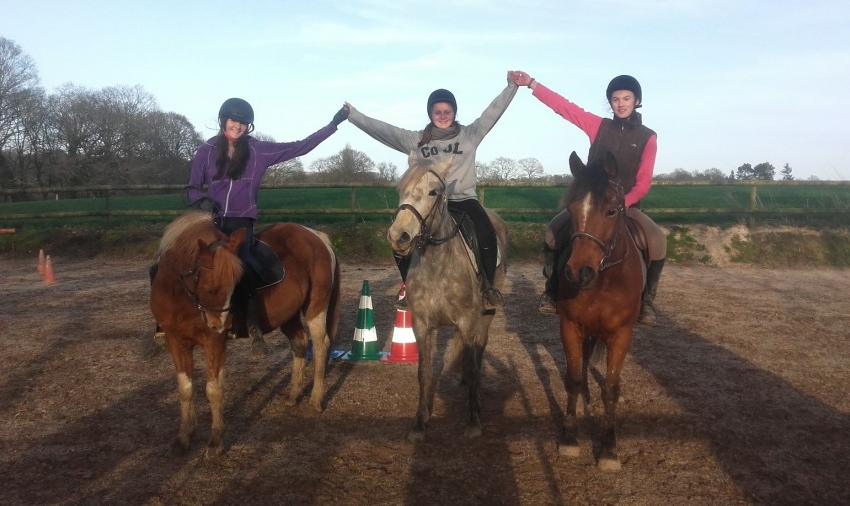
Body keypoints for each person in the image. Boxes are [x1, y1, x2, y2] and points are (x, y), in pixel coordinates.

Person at [152, 97, 349, 354]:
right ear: (223, 120)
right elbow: (191, 188)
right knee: (165, 261)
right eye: (233, 121)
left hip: (241, 222)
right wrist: (201, 202)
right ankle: (163, 322)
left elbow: (300, 147)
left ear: (249, 126)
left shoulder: (259, 151)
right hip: (210, 222)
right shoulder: (206, 150)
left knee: (242, 269)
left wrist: (333, 124)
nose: (238, 126)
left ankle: (251, 325)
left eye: (243, 123)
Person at [344, 73, 519, 310]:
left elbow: (493, 112)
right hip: (427, 203)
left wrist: (511, 87)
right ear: (430, 114)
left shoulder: (470, 134)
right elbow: (385, 131)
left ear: (454, 112)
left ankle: (488, 287)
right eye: (438, 112)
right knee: (399, 234)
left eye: (447, 111)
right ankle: (409, 286)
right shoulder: (416, 140)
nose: (443, 115)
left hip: (462, 199)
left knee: (486, 232)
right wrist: (354, 116)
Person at [510, 71, 667, 325]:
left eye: (626, 98)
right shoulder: (598, 126)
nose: (621, 104)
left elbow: (643, 182)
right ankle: (552, 289)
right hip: (591, 205)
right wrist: (532, 84)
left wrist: (623, 203)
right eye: (615, 99)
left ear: (637, 101)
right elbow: (565, 108)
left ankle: (647, 300)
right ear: (610, 102)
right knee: (553, 232)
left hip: (625, 205)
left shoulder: (648, 137)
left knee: (658, 241)